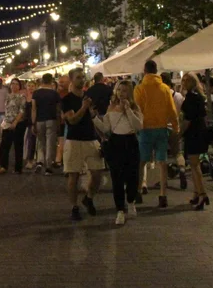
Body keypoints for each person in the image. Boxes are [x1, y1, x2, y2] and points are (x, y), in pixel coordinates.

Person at [93, 79, 142, 225]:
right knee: (117, 178)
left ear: (130, 93)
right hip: (116, 143)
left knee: (132, 176)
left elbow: (138, 126)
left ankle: (131, 201)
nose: (121, 93)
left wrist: (127, 110)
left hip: (130, 142)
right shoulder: (111, 108)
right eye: (119, 90)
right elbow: (106, 129)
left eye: (124, 90)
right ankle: (120, 210)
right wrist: (95, 118)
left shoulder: (135, 108)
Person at [134, 59, 179, 209]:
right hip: (161, 128)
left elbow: (137, 109)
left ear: (145, 71)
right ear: (156, 71)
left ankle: (139, 190)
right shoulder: (165, 88)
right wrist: (175, 127)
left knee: (142, 162)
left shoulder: (139, 89)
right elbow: (172, 111)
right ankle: (162, 195)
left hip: (145, 129)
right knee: (162, 163)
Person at [61, 68, 103, 221]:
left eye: (83, 77)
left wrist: (93, 114)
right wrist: (84, 107)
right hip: (74, 140)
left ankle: (89, 197)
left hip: (91, 139)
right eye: (78, 77)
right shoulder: (67, 100)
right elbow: (72, 120)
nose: (82, 80)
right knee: (74, 175)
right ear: (72, 80)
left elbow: (93, 118)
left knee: (97, 173)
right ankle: (74, 206)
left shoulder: (89, 98)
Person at [180, 73, 212, 211]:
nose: (184, 82)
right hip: (200, 132)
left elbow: (187, 120)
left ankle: (203, 194)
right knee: (195, 164)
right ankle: (196, 193)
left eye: (186, 80)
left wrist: (179, 134)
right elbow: (204, 117)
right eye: (183, 80)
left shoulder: (190, 98)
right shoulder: (199, 97)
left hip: (193, 134)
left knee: (194, 165)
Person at [31, 73, 61, 175]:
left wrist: (33, 123)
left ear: (42, 81)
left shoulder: (36, 93)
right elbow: (58, 110)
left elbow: (34, 109)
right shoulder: (55, 94)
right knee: (50, 143)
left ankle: (40, 161)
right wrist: (59, 122)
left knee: (40, 142)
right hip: (51, 120)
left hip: (39, 120)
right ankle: (48, 166)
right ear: (51, 81)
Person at [0, 79, 27, 174]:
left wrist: (15, 122)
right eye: (12, 84)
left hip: (18, 124)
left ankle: (18, 168)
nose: (14, 86)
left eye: (16, 84)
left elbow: (22, 111)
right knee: (4, 146)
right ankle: (3, 166)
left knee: (18, 146)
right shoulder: (8, 97)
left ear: (19, 86)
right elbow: (7, 111)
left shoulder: (21, 97)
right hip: (7, 123)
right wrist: (4, 122)